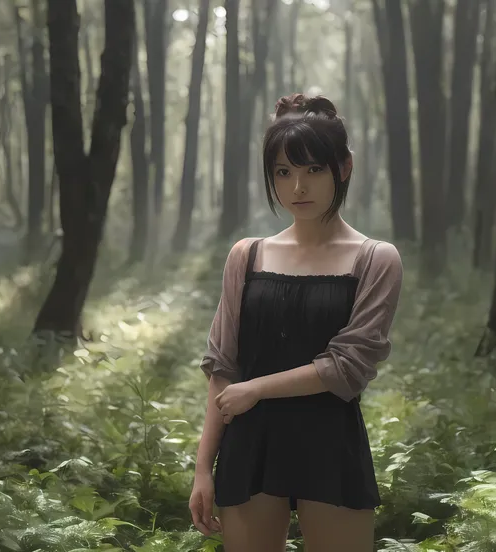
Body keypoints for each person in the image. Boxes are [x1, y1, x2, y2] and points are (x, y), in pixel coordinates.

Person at [189, 93, 403, 552]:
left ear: (343, 168)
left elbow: (348, 366)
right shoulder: (246, 255)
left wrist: (258, 388)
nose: (297, 187)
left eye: (313, 170)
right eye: (284, 172)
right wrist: (203, 468)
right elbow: (222, 366)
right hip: (250, 444)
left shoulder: (374, 259)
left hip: (330, 441)